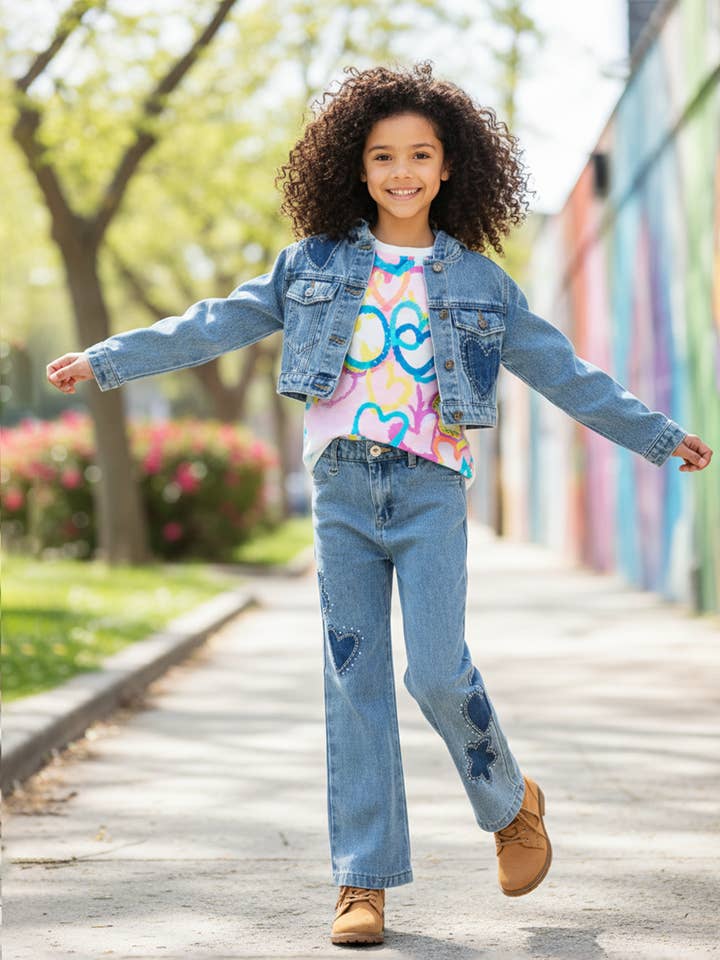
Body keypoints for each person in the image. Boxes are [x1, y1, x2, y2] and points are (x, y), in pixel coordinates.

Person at [47, 62, 713, 947]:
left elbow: (563, 370)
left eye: (421, 155)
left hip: (431, 489)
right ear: (356, 169)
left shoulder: (480, 284)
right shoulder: (312, 265)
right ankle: (362, 882)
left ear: (449, 167)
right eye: (384, 156)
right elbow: (216, 322)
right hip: (342, 492)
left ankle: (510, 802)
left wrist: (656, 435)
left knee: (435, 669)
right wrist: (109, 360)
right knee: (354, 681)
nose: (403, 172)